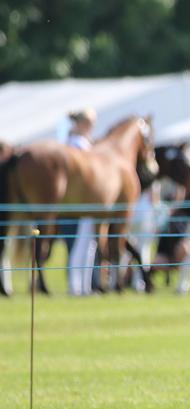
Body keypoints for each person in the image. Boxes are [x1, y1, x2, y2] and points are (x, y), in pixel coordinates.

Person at [63, 109, 98, 295]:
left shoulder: (75, 142)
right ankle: (77, 286)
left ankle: (83, 286)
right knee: (81, 245)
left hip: (85, 201)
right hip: (83, 200)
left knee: (87, 245)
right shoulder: (78, 145)